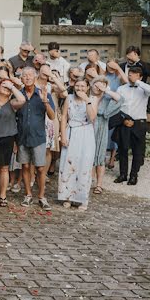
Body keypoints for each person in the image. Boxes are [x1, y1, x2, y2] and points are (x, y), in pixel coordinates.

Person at [16, 67, 55, 209]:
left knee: (40, 168)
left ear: (35, 77)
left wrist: (45, 101)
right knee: (25, 166)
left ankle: (42, 196)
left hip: (38, 136)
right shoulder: (18, 94)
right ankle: (28, 195)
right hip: (22, 136)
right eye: (24, 75)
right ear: (21, 78)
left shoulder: (44, 93)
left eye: (30, 75)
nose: (27, 78)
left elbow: (52, 116)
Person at [57, 79, 98, 210]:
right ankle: (68, 196)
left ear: (87, 87)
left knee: (84, 165)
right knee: (69, 164)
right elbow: (64, 117)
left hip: (86, 133)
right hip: (71, 131)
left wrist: (87, 100)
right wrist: (63, 134)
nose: (80, 88)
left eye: (83, 86)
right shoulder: (69, 98)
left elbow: (92, 118)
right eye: (77, 86)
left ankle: (82, 198)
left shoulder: (92, 99)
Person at [113, 65, 150, 186]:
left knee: (137, 151)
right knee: (123, 149)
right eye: (130, 73)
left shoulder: (144, 90)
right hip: (124, 121)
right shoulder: (121, 89)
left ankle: (134, 175)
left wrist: (137, 82)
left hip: (139, 122)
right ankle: (123, 174)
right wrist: (123, 119)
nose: (130, 75)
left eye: (134, 74)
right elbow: (117, 106)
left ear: (140, 76)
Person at [0, 78, 26, 207]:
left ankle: (2, 195)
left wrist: (12, 87)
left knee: (4, 168)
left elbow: (22, 100)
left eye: (8, 88)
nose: (6, 89)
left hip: (7, 137)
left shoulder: (12, 103)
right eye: (3, 86)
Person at [90, 76, 122, 194]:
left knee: (100, 155)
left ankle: (99, 184)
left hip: (101, 127)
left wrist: (106, 90)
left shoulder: (107, 99)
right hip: (88, 127)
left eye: (101, 86)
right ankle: (88, 180)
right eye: (96, 85)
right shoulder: (87, 97)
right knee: (88, 155)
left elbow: (120, 100)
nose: (97, 88)